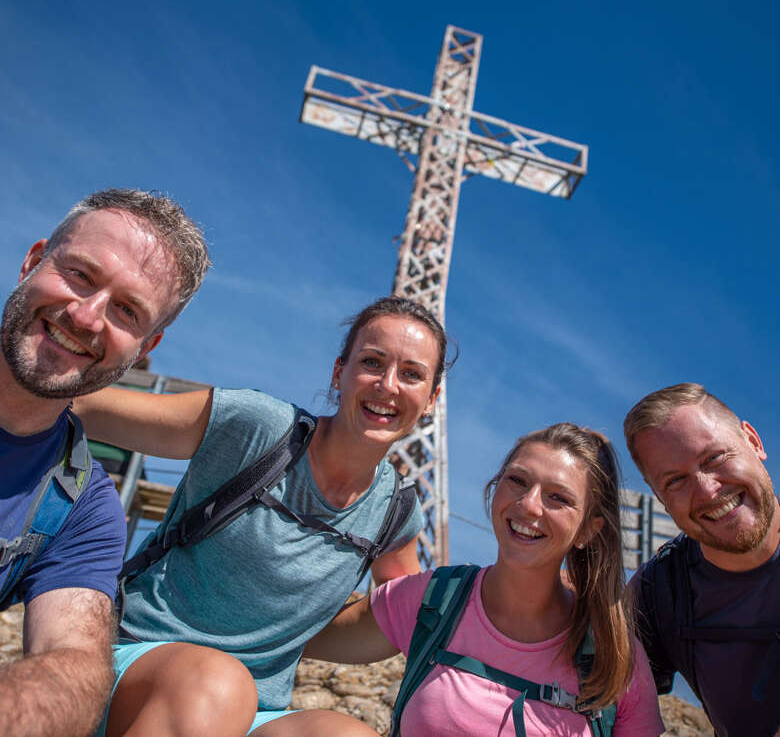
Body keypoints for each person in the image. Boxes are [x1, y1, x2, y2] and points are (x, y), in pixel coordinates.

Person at [73, 295, 448, 736]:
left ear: (430, 399)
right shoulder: (259, 427)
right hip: (136, 660)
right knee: (216, 685)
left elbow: (401, 619)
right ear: (338, 373)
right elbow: (86, 408)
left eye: (411, 374)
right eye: (371, 362)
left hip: (255, 709)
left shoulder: (395, 512)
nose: (388, 385)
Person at [0, 188, 210, 736]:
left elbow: (74, 666)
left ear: (146, 347)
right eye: (80, 275)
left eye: (126, 310)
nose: (86, 316)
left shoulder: (81, 509)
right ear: (32, 260)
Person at [305, 423, 665, 736]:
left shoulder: (615, 653)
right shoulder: (434, 600)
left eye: (558, 498)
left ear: (589, 529)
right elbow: (293, 639)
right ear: (495, 489)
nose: (529, 505)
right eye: (517, 480)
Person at [624, 383, 780, 737]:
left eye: (714, 458)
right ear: (660, 498)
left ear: (753, 442)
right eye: (676, 481)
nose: (707, 490)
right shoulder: (661, 592)